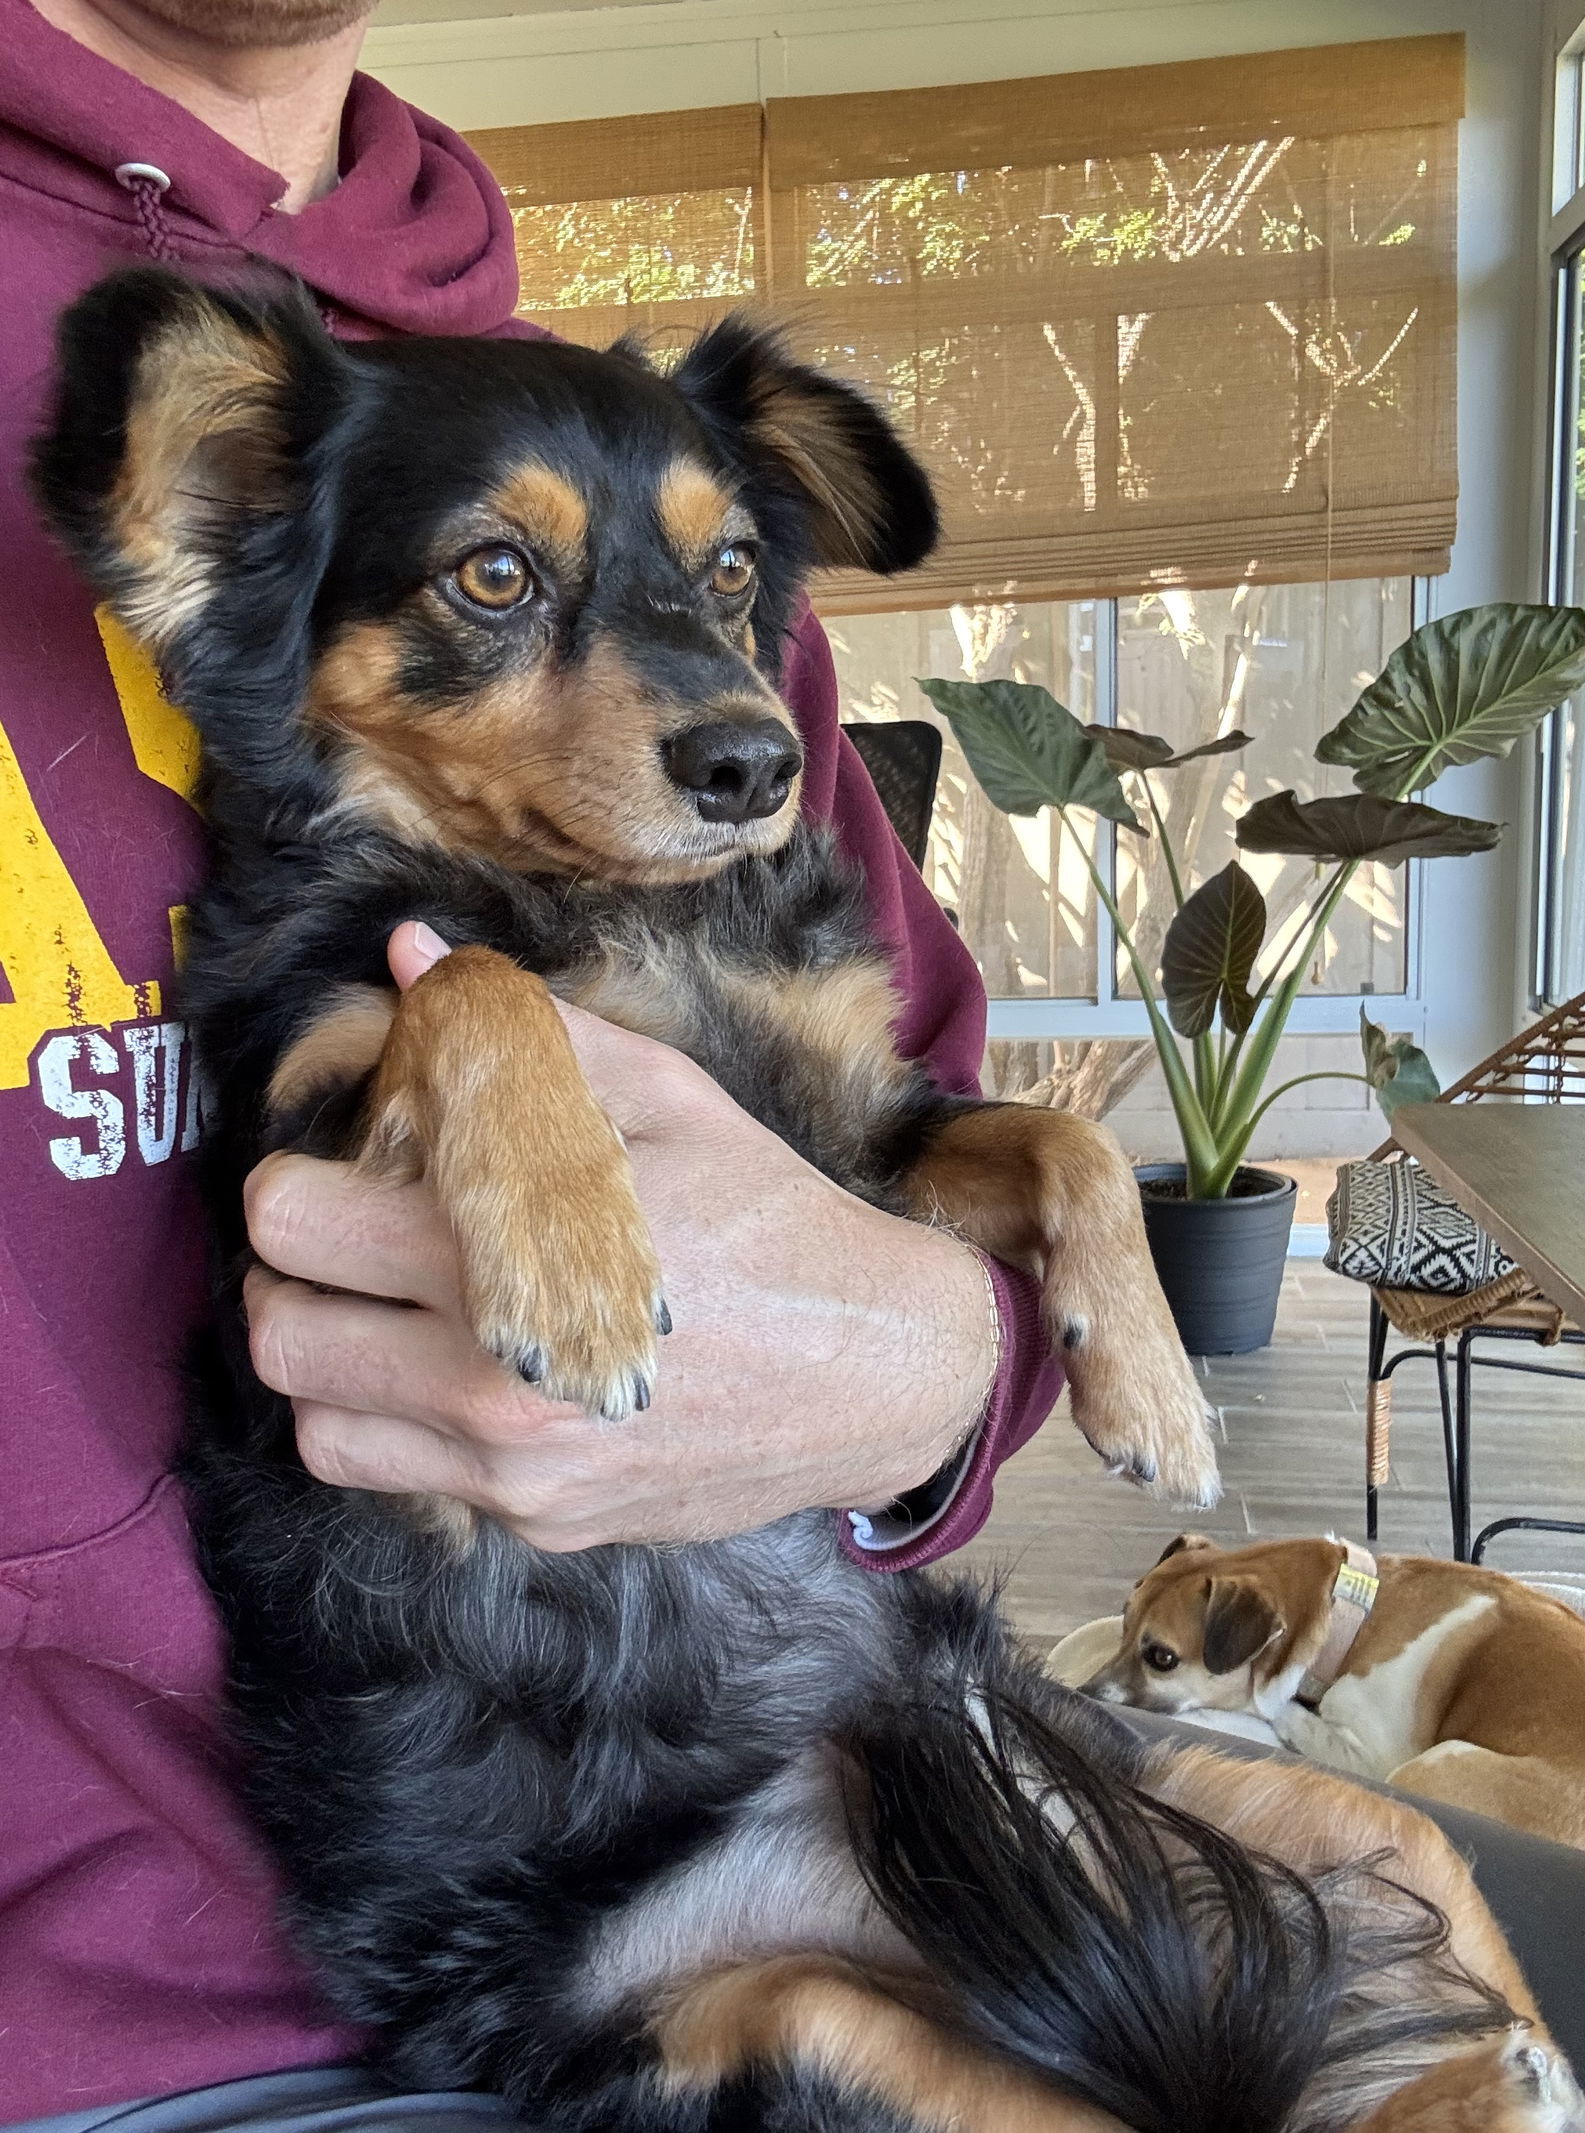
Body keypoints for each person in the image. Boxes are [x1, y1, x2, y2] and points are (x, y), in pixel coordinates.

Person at [0, 0, 1062, 2118]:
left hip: (788, 1767)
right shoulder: (252, 499)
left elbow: (941, 1195)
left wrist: (909, 1365)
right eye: (491, 581)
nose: (711, 689)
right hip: (169, 2013)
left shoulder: (627, 476)